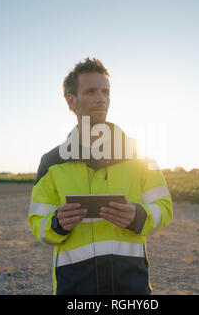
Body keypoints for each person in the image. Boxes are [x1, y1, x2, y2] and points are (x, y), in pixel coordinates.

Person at [28, 57, 173, 295]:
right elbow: (38, 224)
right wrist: (57, 223)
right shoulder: (51, 162)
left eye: (105, 92)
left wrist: (138, 216)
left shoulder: (139, 154)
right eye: (91, 91)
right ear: (71, 100)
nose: (101, 99)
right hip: (74, 286)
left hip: (131, 286)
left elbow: (164, 208)